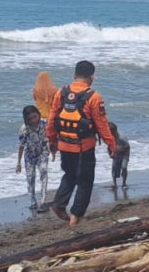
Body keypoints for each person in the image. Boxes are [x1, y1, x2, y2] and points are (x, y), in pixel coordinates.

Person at [47, 61, 115, 227]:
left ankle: (59, 204)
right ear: (92, 76)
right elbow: (102, 124)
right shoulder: (94, 97)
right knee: (85, 181)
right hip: (84, 148)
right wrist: (111, 144)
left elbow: (51, 119)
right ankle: (75, 217)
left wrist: (51, 141)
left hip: (64, 144)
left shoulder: (60, 93)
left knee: (69, 175)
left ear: (74, 75)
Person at [16, 105, 51, 212]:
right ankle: (32, 201)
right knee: (30, 178)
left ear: (39, 115)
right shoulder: (24, 129)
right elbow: (21, 146)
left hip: (42, 153)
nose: (33, 120)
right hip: (29, 156)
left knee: (44, 173)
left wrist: (53, 151)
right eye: (30, 119)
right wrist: (18, 162)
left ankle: (43, 201)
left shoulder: (44, 125)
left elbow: (50, 138)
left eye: (35, 117)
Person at [108, 122, 130, 187]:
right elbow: (109, 147)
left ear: (115, 131)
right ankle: (114, 183)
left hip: (124, 155)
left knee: (124, 167)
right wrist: (110, 153)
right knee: (114, 169)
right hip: (116, 155)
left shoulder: (122, 138)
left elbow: (128, 147)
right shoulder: (111, 139)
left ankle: (124, 183)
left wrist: (120, 149)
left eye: (111, 133)